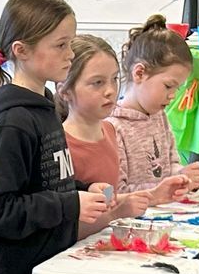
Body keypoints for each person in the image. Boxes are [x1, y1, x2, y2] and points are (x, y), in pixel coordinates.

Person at [0, 0, 112, 274]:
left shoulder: (44, 104)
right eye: (60, 45)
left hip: (45, 269)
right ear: (22, 50)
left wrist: (79, 188)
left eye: (70, 43)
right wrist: (69, 204)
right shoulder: (12, 121)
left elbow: (42, 177)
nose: (70, 54)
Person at [110, 16, 199, 200]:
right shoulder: (113, 127)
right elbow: (117, 194)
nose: (173, 95)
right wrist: (170, 184)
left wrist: (187, 178)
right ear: (139, 73)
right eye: (168, 86)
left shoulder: (159, 115)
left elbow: (172, 165)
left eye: (177, 88)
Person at [58, 34, 155, 217]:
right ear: (65, 91)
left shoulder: (109, 130)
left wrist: (156, 195)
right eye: (97, 83)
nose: (111, 90)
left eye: (115, 79)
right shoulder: (61, 145)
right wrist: (117, 213)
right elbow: (69, 222)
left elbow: (108, 196)